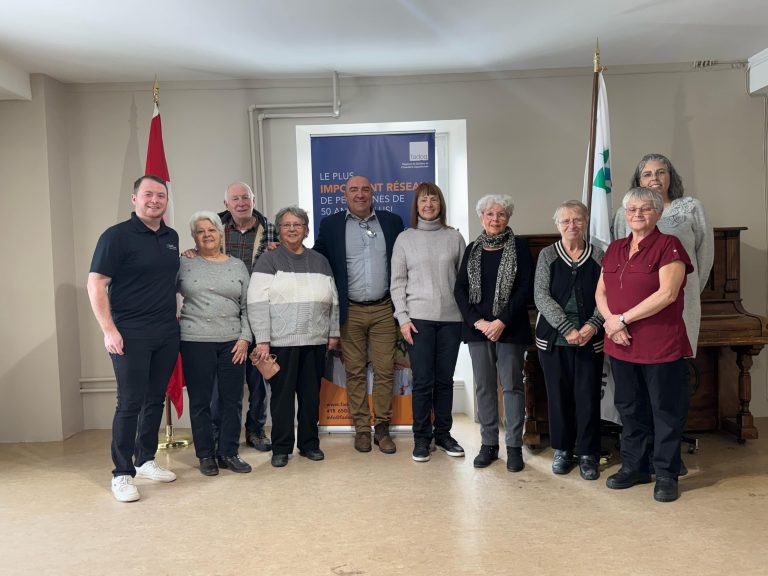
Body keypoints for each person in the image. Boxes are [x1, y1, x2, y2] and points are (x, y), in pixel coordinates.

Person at [596, 187, 693, 503]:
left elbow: (667, 294)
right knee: (629, 408)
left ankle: (665, 473)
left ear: (658, 213)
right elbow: (600, 292)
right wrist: (612, 322)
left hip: (660, 345)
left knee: (665, 411)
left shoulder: (669, 245)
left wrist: (622, 320)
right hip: (621, 345)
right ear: (625, 214)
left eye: (645, 208)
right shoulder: (615, 248)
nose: (637, 214)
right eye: (632, 209)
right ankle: (634, 467)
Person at [87, 175, 180, 502]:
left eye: (161, 195)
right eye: (148, 194)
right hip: (130, 332)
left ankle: (145, 460)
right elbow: (96, 284)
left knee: (155, 398)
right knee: (129, 402)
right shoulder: (116, 236)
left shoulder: (171, 236)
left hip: (166, 331)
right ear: (134, 199)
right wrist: (109, 330)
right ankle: (122, 473)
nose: (155, 200)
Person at [183, 181, 278, 452]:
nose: (241, 203)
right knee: (219, 385)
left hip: (259, 310)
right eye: (235, 199)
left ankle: (256, 430)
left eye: (245, 197)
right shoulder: (214, 227)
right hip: (223, 317)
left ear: (253, 200)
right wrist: (190, 253)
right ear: (226, 203)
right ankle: (217, 434)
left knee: (258, 378)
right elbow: (203, 256)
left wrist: (279, 250)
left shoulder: (270, 230)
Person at [314, 175, 405, 454]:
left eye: (365, 189)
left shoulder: (392, 222)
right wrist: (284, 250)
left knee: (385, 370)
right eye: (354, 189)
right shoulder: (331, 224)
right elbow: (317, 258)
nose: (360, 194)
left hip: (384, 308)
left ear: (372, 193)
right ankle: (362, 430)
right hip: (350, 310)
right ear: (345, 195)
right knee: (354, 371)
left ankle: (382, 429)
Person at [248, 206, 340, 467]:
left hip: (315, 340)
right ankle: (281, 447)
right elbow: (256, 302)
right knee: (282, 398)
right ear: (279, 230)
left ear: (306, 230)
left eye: (297, 224)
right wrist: (262, 339)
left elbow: (333, 299)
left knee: (311, 397)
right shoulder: (268, 261)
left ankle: (309, 444)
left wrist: (333, 332)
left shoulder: (320, 261)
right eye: (286, 225)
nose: (292, 229)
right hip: (281, 341)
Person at [454, 194, 533, 472]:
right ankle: (488, 444)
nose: (495, 219)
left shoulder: (519, 247)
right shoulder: (473, 248)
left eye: (500, 214)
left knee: (512, 387)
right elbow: (460, 290)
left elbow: (525, 288)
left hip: (510, 328)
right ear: (481, 218)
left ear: (508, 217)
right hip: (478, 330)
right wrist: (478, 322)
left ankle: (513, 447)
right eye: (490, 214)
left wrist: (500, 321)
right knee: (484, 388)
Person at [390, 182, 467, 462]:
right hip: (418, 321)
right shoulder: (405, 239)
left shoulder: (454, 237)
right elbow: (397, 283)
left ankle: (443, 435)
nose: (429, 205)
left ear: (440, 204)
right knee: (422, 382)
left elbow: (465, 282)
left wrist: (466, 317)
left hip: (451, 320)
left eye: (433, 199)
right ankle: (422, 438)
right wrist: (403, 319)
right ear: (417, 206)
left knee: (444, 381)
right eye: (423, 200)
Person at [614, 153, 713, 356]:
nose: (654, 178)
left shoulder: (691, 208)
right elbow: (620, 256)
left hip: (681, 293)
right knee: (636, 356)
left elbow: (705, 254)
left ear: (670, 176)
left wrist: (691, 287)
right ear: (638, 181)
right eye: (647, 174)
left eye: (660, 172)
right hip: (635, 299)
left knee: (674, 356)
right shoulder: (625, 213)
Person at [178, 211, 253, 476]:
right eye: (200, 231)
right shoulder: (184, 263)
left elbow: (248, 306)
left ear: (221, 234)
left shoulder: (238, 266)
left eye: (211, 230)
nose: (207, 235)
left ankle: (228, 452)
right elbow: (161, 294)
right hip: (194, 341)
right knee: (200, 401)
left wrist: (245, 337)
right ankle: (206, 454)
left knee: (232, 400)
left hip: (232, 342)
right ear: (194, 237)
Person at [533, 200, 604, 480]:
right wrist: (566, 328)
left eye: (577, 220)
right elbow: (541, 296)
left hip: (590, 338)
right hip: (554, 339)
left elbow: (607, 295)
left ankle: (588, 453)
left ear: (585, 222)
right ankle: (562, 449)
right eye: (565, 221)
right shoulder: (547, 255)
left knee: (588, 396)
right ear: (558, 225)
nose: (571, 225)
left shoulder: (598, 255)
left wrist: (592, 326)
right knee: (558, 396)